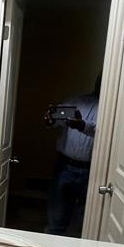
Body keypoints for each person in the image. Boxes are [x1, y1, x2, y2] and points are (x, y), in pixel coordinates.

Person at [44, 76, 100, 236]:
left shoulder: (112, 109)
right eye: (99, 79)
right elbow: (55, 120)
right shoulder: (76, 100)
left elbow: (104, 133)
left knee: (85, 226)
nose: (101, 83)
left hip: (93, 171)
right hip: (65, 167)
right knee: (56, 222)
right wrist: (50, 120)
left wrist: (82, 125)